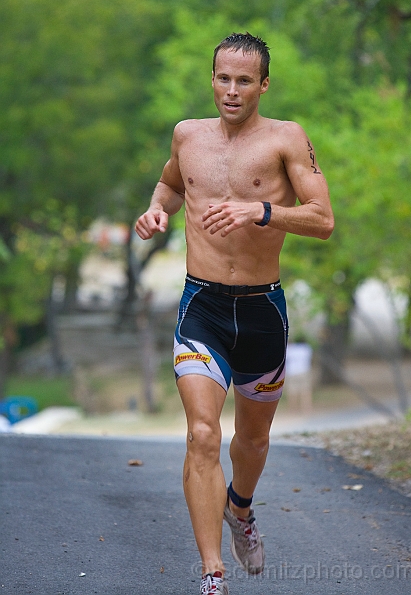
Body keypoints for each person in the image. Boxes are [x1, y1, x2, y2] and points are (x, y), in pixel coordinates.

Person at [135, 32, 334, 595]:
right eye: (223, 77)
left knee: (253, 441)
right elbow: (171, 186)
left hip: (262, 310)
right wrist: (154, 211)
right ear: (212, 78)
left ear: (263, 85)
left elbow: (322, 219)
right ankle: (212, 573)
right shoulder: (187, 135)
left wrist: (262, 210)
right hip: (202, 307)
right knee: (202, 434)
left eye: (244, 80)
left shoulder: (287, 139)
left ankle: (240, 508)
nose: (231, 89)